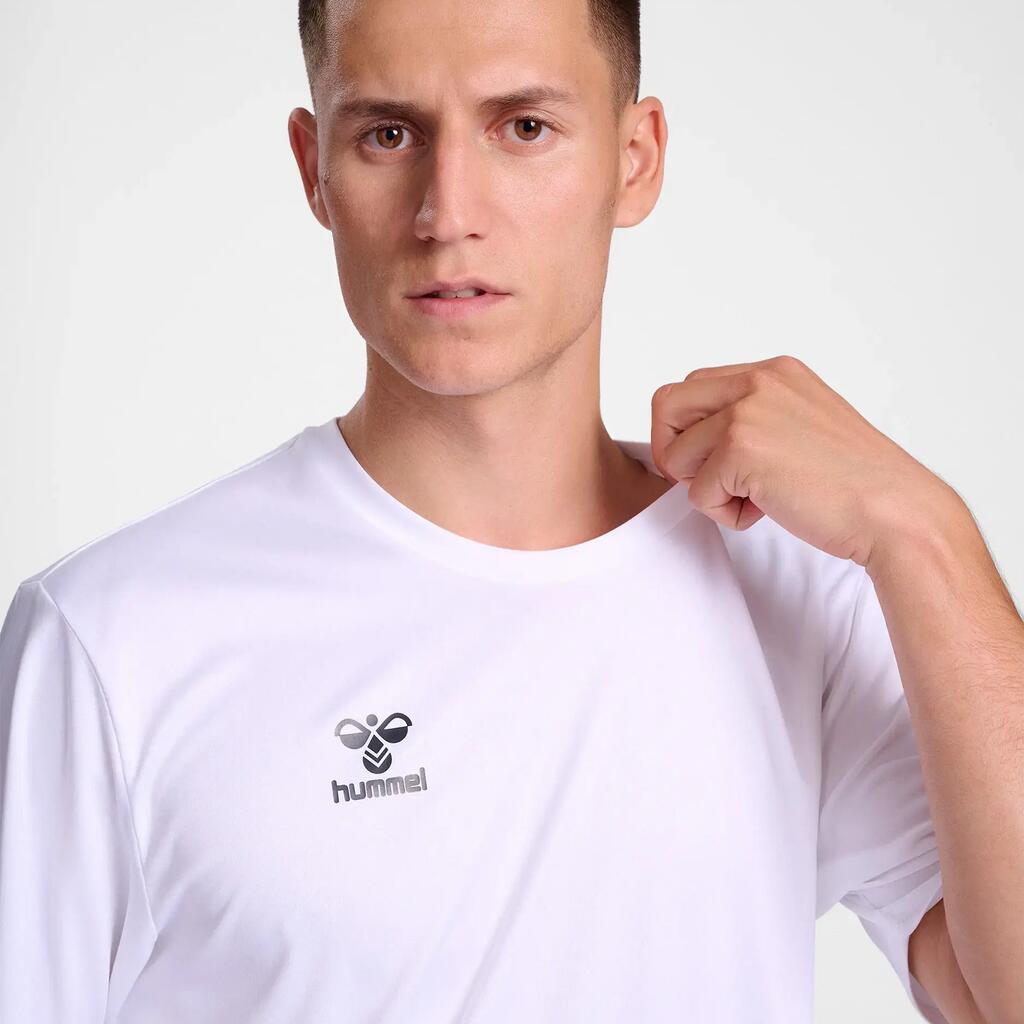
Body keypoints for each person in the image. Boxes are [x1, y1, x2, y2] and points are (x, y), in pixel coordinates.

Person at [0, 0, 948, 1021]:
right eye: (388, 134)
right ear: (314, 168)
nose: (447, 213)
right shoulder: (110, 639)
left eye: (523, 127)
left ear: (635, 160)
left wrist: (920, 530)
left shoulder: (798, 589)